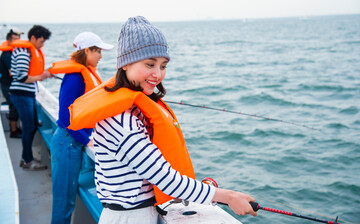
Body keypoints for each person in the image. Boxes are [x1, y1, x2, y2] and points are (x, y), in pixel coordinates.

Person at [68, 16, 257, 224]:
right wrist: (228, 197)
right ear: (125, 64)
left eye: (163, 66)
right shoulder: (121, 121)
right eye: (150, 64)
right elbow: (166, 179)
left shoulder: (133, 108)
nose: (157, 74)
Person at [47, 32, 113, 224]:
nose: (101, 55)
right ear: (87, 51)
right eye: (98, 51)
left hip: (71, 143)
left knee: (66, 200)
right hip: (67, 142)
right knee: (64, 203)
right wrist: (86, 140)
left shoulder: (83, 72)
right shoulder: (75, 77)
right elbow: (66, 117)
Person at [9, 25, 52, 170]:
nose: (42, 45)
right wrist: (43, 76)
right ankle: (28, 161)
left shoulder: (30, 50)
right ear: (33, 38)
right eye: (41, 41)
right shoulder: (23, 52)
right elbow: (21, 78)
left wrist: (45, 74)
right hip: (21, 94)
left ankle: (25, 158)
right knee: (28, 127)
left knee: (32, 126)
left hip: (28, 94)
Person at [0, 28, 23, 138]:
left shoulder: (13, 52)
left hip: (11, 85)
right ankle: (13, 131)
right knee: (13, 107)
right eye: (14, 40)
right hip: (7, 86)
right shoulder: (7, 55)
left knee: (15, 107)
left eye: (18, 39)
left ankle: (16, 129)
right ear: (8, 41)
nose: (17, 42)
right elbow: (11, 72)